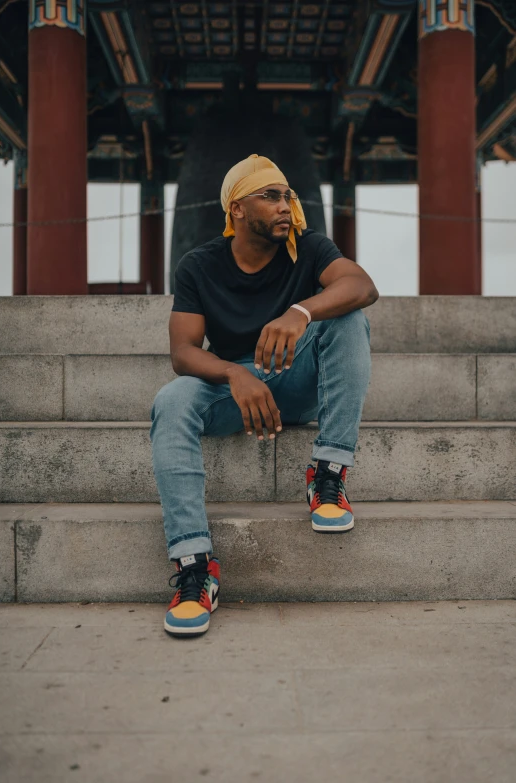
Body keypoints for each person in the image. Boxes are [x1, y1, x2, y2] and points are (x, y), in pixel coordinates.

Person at [150, 153, 378, 638]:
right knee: (171, 401)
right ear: (236, 208)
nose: (284, 206)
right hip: (238, 393)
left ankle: (328, 472)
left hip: (299, 381)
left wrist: (300, 311)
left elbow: (362, 284)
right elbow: (183, 352)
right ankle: (195, 568)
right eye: (270, 196)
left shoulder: (309, 248)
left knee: (348, 315)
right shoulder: (199, 265)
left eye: (287, 196)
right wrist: (235, 374)